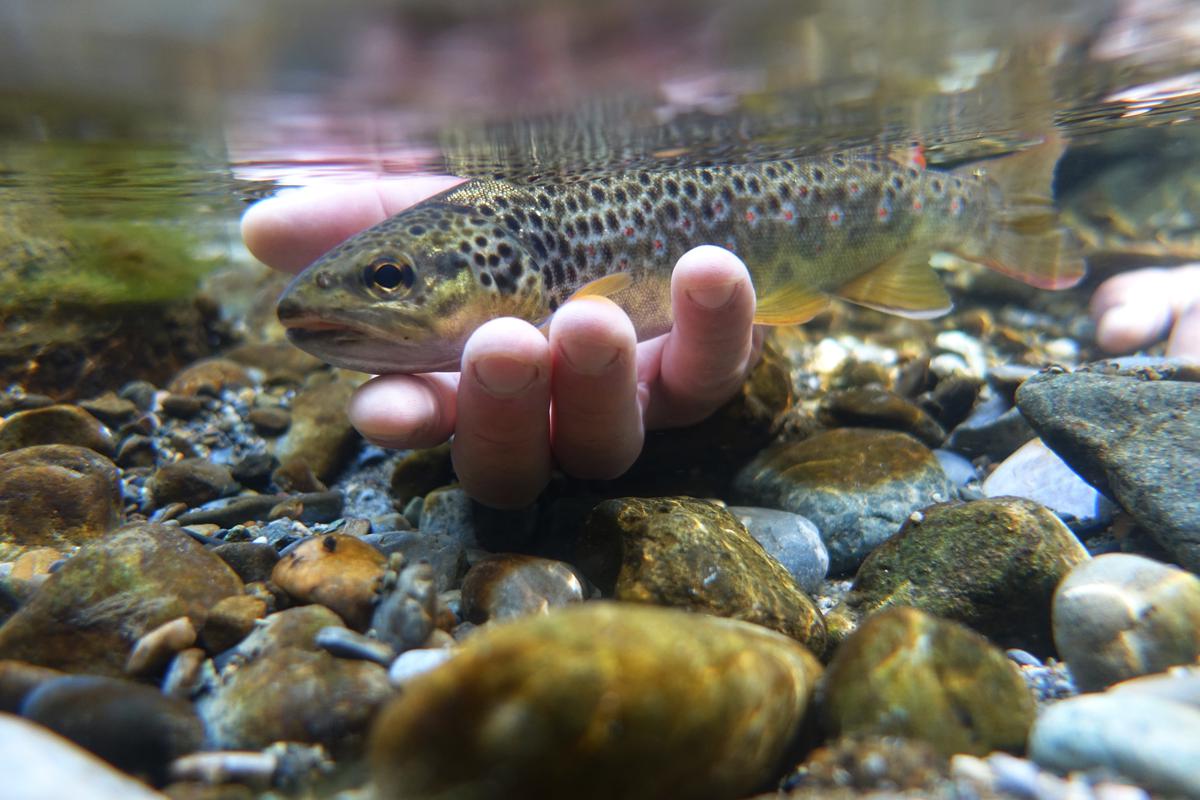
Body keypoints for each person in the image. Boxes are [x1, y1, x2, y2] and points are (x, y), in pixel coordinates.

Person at [243, 178, 1200, 508]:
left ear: (514, 270)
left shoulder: (535, 259)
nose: (376, 297)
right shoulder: (478, 229)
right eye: (388, 280)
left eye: (390, 283)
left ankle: (962, 210)